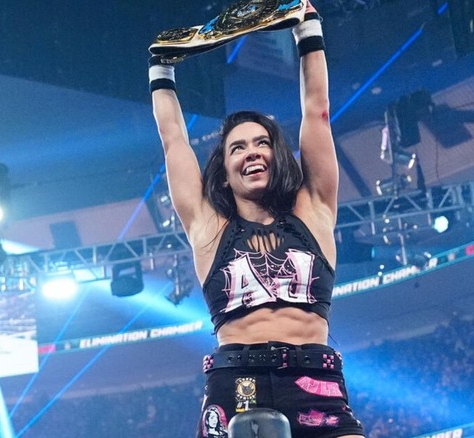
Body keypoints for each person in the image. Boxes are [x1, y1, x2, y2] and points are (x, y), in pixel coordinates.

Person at [150, 3, 365, 437]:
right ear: (225, 173)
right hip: (237, 382)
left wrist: (308, 30)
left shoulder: (314, 209)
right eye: (237, 148)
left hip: (313, 380)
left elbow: (317, 110)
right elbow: (173, 140)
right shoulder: (210, 229)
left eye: (261, 143)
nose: (251, 152)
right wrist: (161, 71)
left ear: (276, 155)